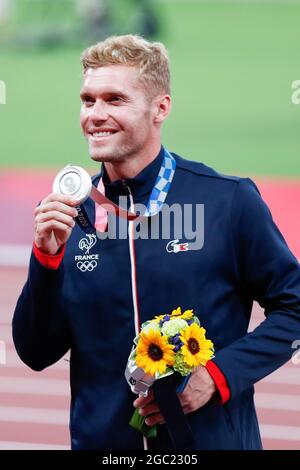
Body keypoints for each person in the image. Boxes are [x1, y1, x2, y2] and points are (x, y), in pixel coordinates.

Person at [13, 34, 300, 450]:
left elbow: (294, 307)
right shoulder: (67, 215)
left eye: (114, 99)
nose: (95, 114)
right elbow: (36, 352)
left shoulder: (227, 201)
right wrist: (46, 258)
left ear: (160, 108)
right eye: (88, 100)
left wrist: (218, 377)